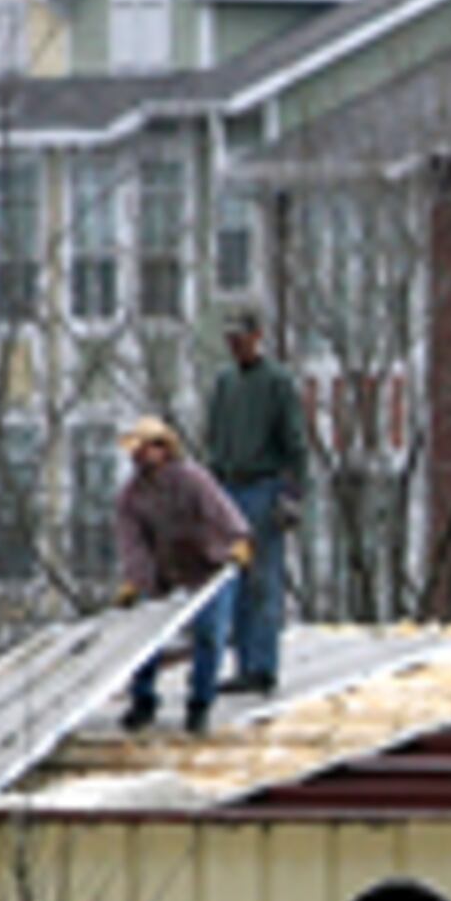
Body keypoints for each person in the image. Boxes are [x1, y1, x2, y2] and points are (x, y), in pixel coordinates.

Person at [113, 415, 256, 733]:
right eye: (135, 450)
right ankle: (143, 701)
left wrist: (239, 541)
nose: (139, 456)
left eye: (146, 448)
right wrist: (135, 580)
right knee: (146, 637)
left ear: (163, 449)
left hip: (210, 565)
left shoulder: (193, 480)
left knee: (209, 634)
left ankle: (200, 704)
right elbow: (131, 542)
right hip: (166, 570)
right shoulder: (131, 496)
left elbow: (224, 512)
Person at [201, 303, 313, 693]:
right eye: (230, 338)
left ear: (257, 336)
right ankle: (243, 663)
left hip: (263, 488)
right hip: (228, 488)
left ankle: (262, 666)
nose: (235, 344)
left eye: (241, 337)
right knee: (233, 580)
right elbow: (213, 440)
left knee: (263, 581)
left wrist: (292, 494)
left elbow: (296, 444)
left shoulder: (277, 382)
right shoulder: (225, 383)